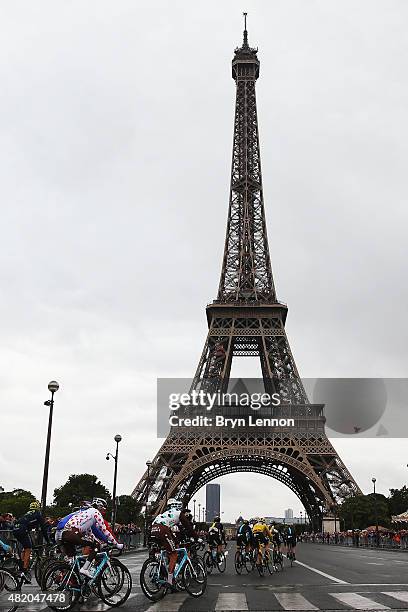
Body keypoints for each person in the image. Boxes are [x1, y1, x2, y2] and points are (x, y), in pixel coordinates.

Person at [55, 498, 123, 578]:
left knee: (72, 558)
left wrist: (99, 541)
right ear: (100, 507)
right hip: (71, 533)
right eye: (104, 507)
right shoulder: (96, 513)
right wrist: (116, 544)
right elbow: (104, 530)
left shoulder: (86, 514)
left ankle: (71, 580)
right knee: (96, 545)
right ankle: (84, 569)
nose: (105, 510)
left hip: (63, 534)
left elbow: (90, 533)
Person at [150, 499, 197, 588]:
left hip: (153, 529)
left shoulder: (164, 514)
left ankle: (162, 569)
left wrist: (175, 541)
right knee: (174, 554)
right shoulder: (178, 513)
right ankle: (170, 580)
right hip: (162, 529)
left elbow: (170, 530)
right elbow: (188, 528)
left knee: (167, 549)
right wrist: (196, 538)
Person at [13, 501, 50, 583]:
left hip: (15, 529)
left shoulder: (27, 513)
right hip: (22, 530)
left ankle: (22, 564)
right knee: (28, 548)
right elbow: (43, 529)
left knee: (25, 547)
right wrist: (48, 541)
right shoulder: (38, 515)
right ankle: (24, 570)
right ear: (38, 508)